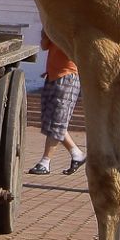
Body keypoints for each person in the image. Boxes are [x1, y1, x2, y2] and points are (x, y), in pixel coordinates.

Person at [28, 30, 86, 176]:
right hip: (53, 75)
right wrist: (47, 31)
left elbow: (73, 49)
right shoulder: (53, 24)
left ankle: (45, 162)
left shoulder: (71, 25)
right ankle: (77, 153)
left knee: (58, 120)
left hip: (68, 76)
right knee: (50, 120)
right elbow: (44, 45)